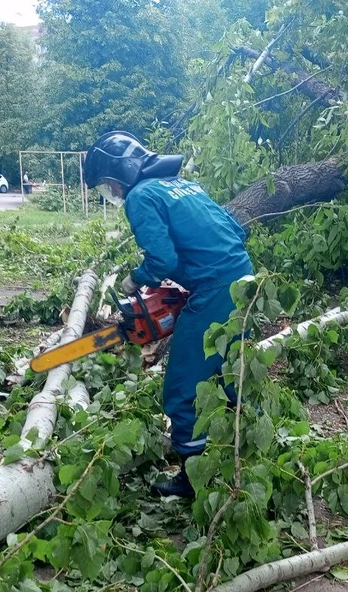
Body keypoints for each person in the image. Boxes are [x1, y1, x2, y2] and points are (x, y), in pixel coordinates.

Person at [83, 131, 254, 498]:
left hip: (214, 288)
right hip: (244, 279)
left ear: (119, 174)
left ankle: (193, 478)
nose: (109, 191)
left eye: (106, 184)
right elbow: (236, 230)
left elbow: (163, 260)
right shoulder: (181, 185)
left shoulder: (142, 196)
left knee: (182, 385)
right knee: (230, 374)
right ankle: (245, 458)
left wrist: (135, 281)